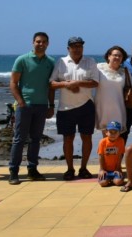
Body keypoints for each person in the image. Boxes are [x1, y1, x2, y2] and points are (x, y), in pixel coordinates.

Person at [49, 36, 99, 180]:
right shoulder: (61, 62)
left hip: (86, 105)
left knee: (86, 137)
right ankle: (70, 169)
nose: (77, 49)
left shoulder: (90, 61)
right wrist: (66, 84)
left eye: (80, 46)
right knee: (68, 139)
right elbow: (51, 84)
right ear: (68, 48)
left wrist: (77, 83)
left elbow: (95, 83)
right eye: (74, 46)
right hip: (65, 108)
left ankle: (83, 168)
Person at [8, 32, 55, 185]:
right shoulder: (22, 60)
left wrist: (51, 105)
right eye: (38, 41)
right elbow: (13, 83)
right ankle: (13, 171)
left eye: (43, 42)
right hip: (25, 105)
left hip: (41, 106)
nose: (40, 44)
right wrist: (20, 102)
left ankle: (32, 169)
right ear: (33, 42)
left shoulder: (50, 62)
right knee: (19, 139)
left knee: (36, 139)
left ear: (48, 44)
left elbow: (50, 87)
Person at [95, 46, 132, 134]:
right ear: (109, 56)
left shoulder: (124, 72)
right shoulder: (99, 68)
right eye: (115, 55)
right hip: (103, 108)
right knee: (106, 138)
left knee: (116, 137)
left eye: (120, 56)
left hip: (118, 108)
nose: (117, 58)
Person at [97, 121, 125, 188]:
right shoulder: (103, 142)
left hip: (115, 169)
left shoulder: (121, 141)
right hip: (105, 169)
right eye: (111, 132)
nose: (113, 134)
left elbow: (120, 155)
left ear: (119, 133)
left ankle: (114, 178)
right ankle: (107, 178)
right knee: (103, 184)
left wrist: (118, 168)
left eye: (115, 132)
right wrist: (101, 169)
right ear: (106, 132)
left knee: (118, 182)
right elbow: (101, 156)